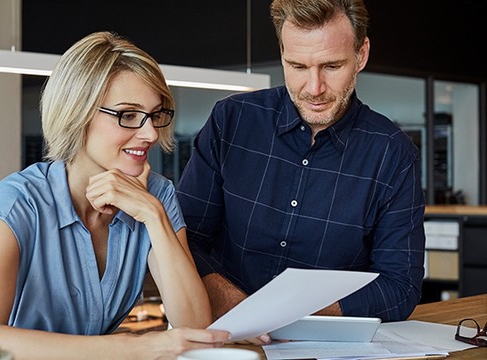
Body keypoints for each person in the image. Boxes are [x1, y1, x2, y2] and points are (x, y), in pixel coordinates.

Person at [0, 31, 230, 359]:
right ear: (78, 114)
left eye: (155, 115)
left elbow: (193, 324)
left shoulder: (157, 194)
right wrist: (128, 348)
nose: (149, 133)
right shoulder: (21, 199)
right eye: (128, 115)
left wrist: (153, 213)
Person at [176, 0, 425, 339]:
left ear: (361, 55)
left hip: (324, 347)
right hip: (222, 339)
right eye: (297, 66)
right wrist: (236, 304)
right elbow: (185, 237)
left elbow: (400, 285)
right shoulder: (231, 121)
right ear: (282, 54)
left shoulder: (393, 153)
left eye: (332, 66)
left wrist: (293, 314)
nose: (314, 88)